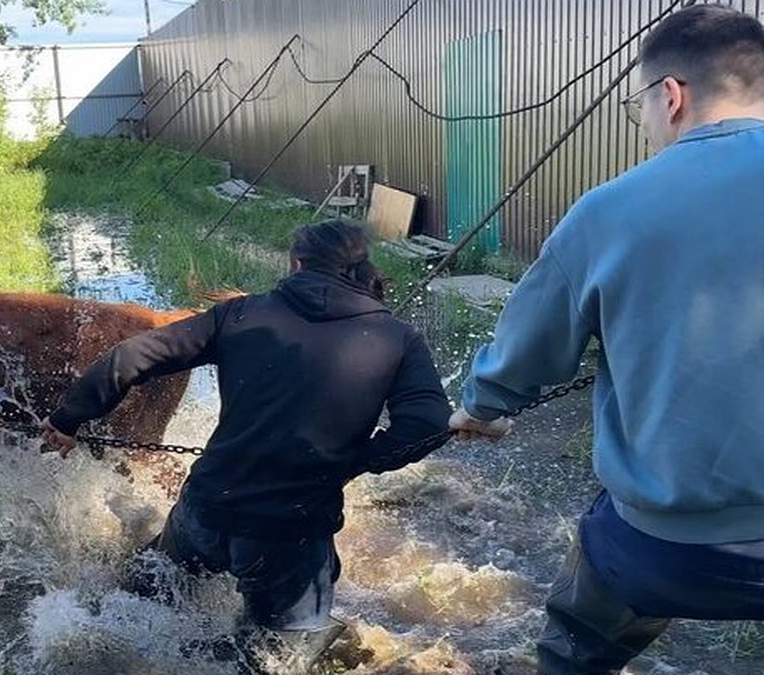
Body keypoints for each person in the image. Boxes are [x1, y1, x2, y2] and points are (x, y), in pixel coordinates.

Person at [447, 5, 764, 672]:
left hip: (665, 549)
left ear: (670, 96)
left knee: (577, 637)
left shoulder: (609, 210)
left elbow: (525, 352)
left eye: (639, 107)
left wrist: (483, 408)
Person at [41, 218, 451, 663]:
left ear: (296, 263)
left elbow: (129, 356)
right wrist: (352, 460)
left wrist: (67, 419)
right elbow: (428, 425)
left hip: (205, 509)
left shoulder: (240, 314)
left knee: (142, 594)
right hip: (291, 531)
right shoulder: (397, 338)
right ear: (363, 267)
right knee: (276, 656)